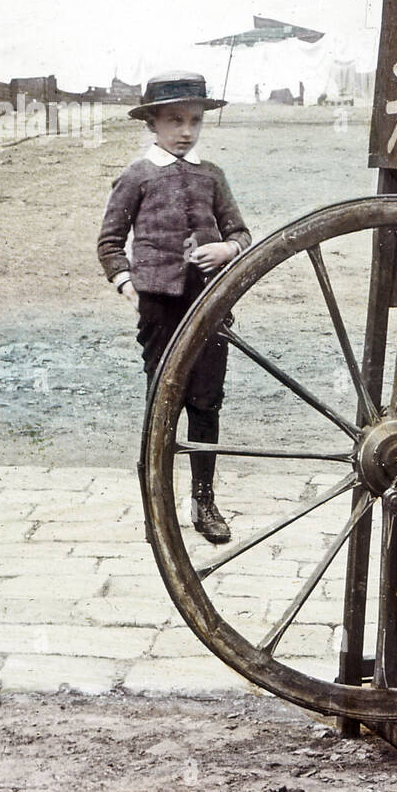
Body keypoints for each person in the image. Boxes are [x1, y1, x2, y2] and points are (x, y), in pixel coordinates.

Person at [97, 71, 251, 544]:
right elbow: (109, 242)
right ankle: (156, 510)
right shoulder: (137, 176)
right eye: (174, 120)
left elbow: (242, 234)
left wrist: (226, 251)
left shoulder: (212, 176)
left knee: (206, 403)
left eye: (194, 120)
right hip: (160, 309)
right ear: (152, 124)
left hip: (208, 304)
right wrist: (128, 285)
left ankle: (203, 502)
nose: (185, 131)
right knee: (162, 405)